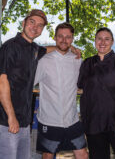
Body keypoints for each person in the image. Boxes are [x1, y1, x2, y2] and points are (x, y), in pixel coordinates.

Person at [0, 10, 80, 159]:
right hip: (4, 118)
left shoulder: (33, 49)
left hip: (24, 119)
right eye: (32, 22)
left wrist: (70, 48)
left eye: (40, 25)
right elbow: (2, 82)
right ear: (23, 23)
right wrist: (11, 117)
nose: (35, 27)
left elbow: (51, 48)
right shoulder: (10, 47)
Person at [77, 27, 115, 159]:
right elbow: (82, 89)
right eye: (99, 38)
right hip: (93, 123)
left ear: (112, 42)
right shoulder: (87, 63)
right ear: (95, 41)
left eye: (107, 39)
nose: (102, 42)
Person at [34, 23, 88, 159]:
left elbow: (80, 84)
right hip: (49, 120)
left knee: (82, 153)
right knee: (48, 154)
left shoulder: (77, 60)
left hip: (72, 119)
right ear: (54, 37)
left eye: (68, 37)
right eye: (60, 36)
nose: (64, 40)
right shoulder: (44, 61)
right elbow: (29, 83)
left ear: (72, 39)